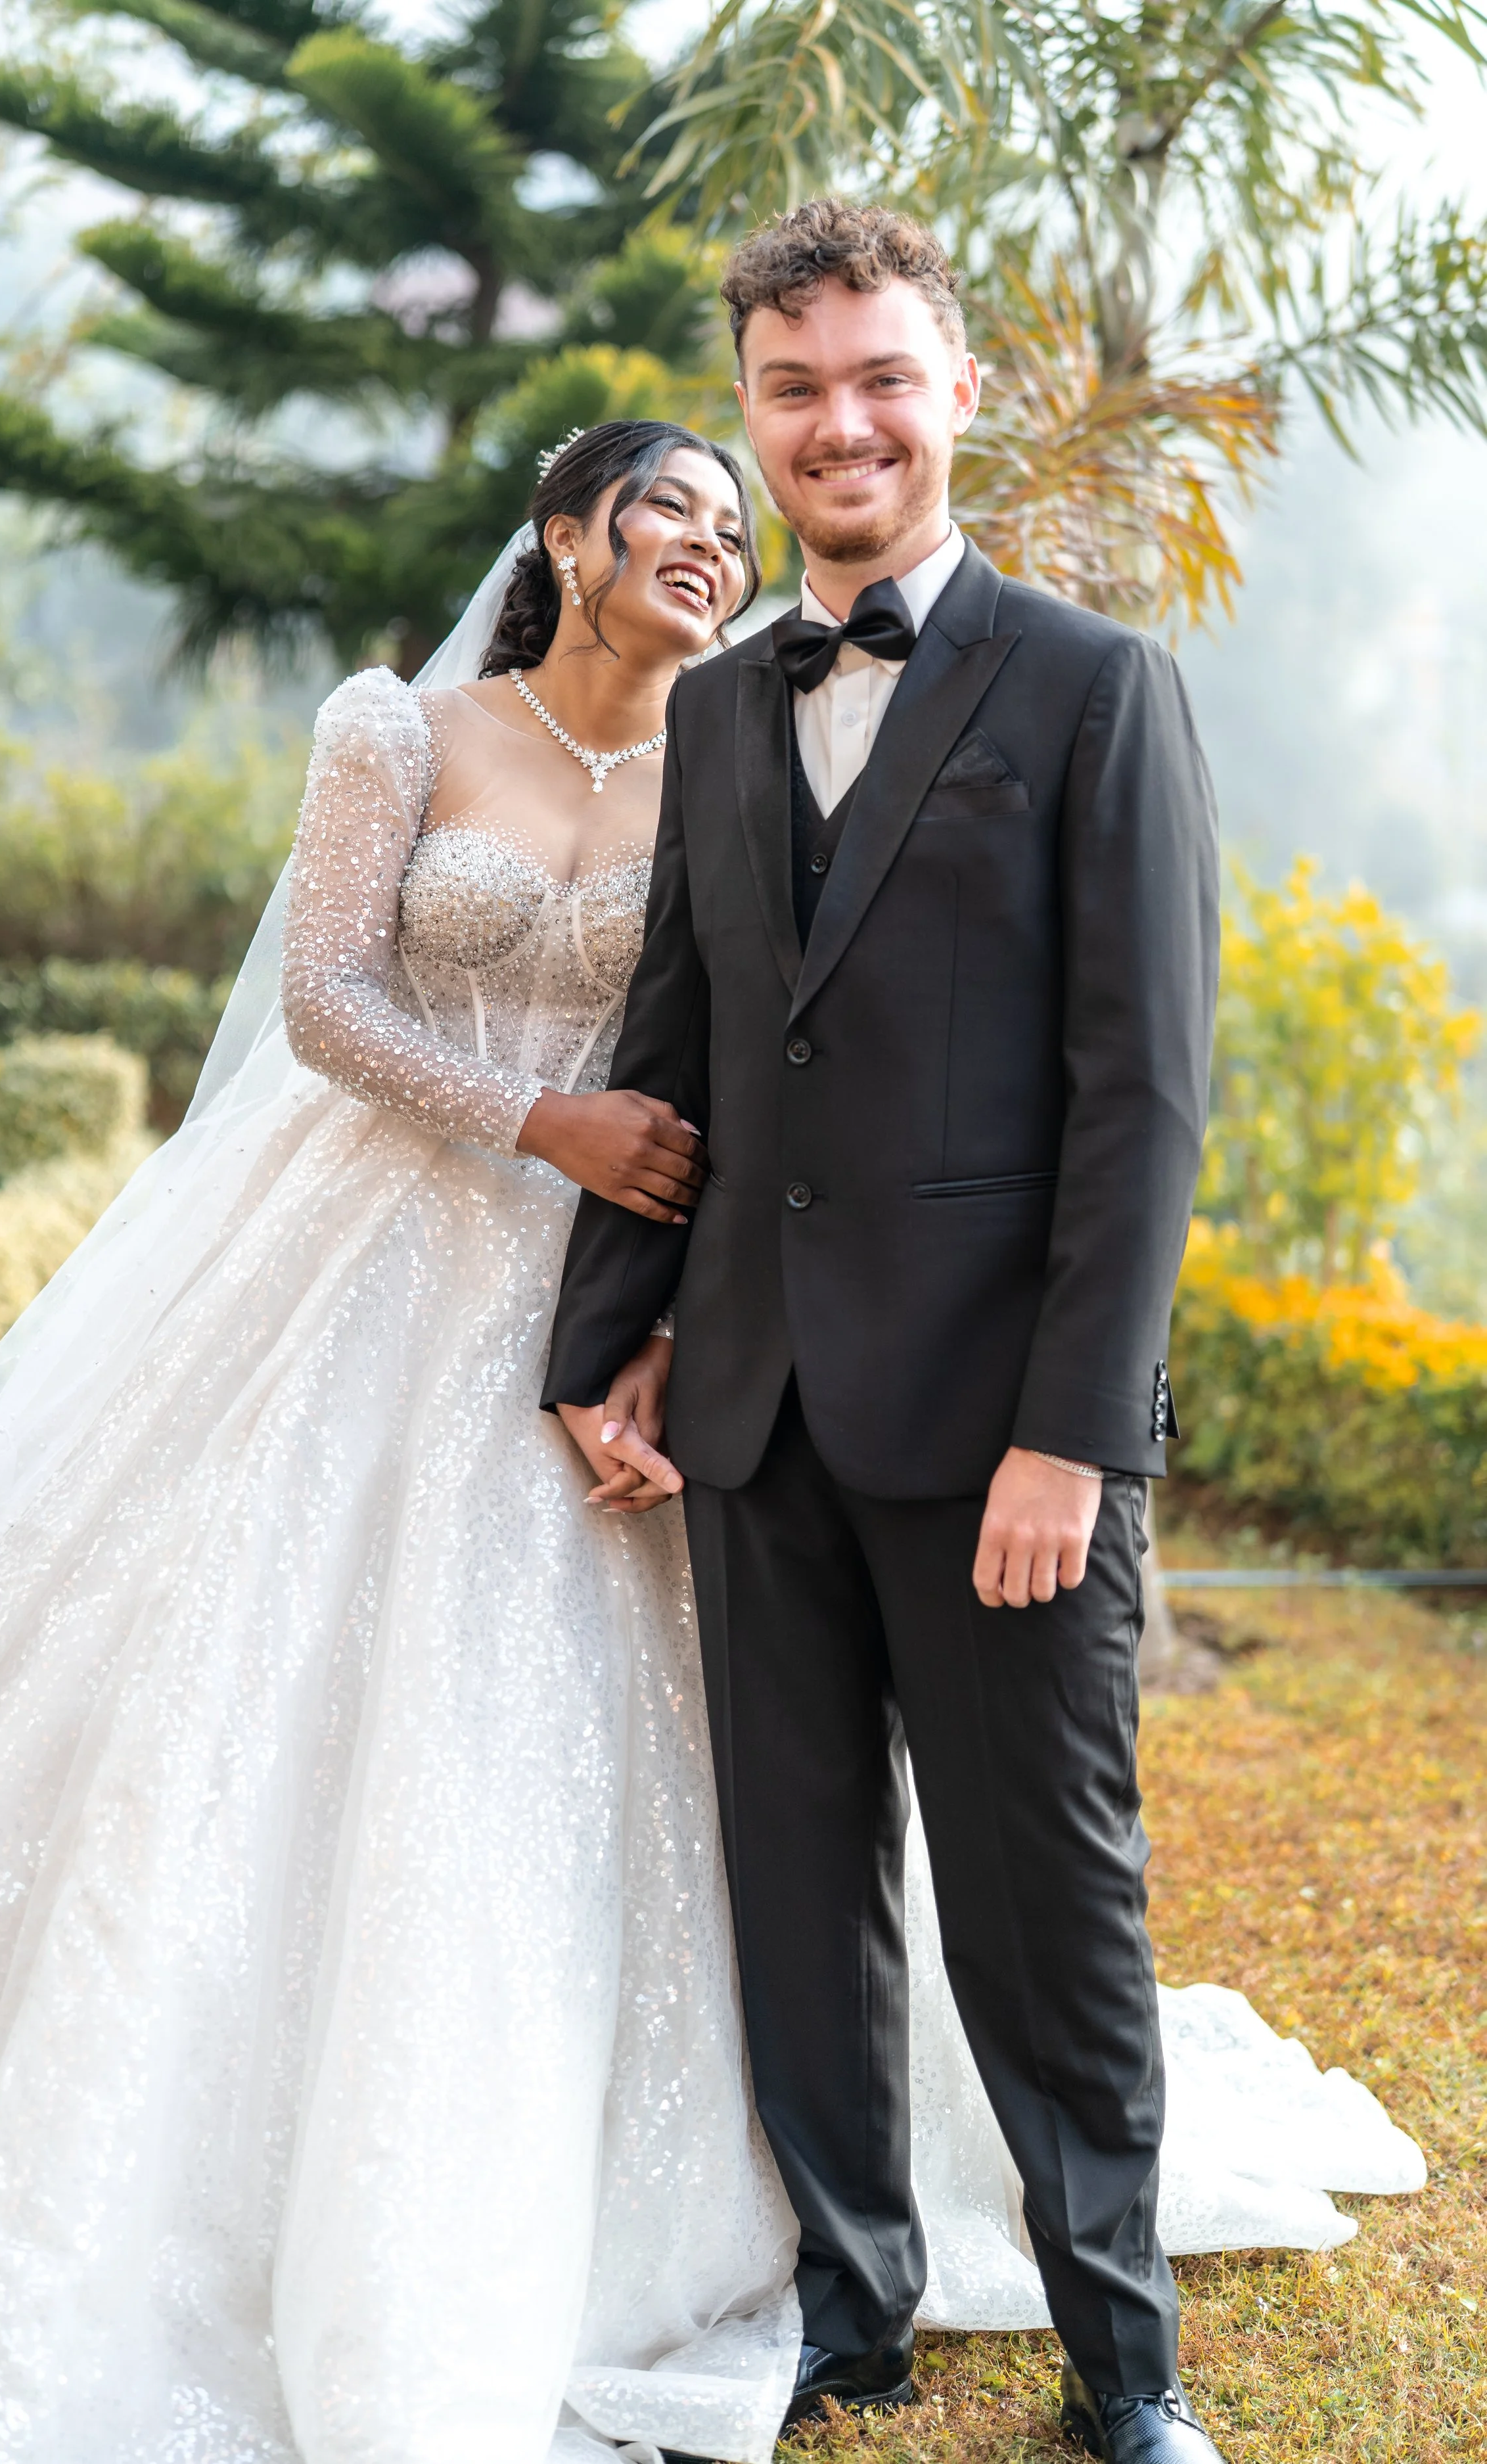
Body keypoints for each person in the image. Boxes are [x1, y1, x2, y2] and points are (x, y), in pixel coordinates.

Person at [0, 403, 1419, 2464]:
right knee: (235, 1680)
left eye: (720, 516)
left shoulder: (747, 735)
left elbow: (756, 1061)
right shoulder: (399, 732)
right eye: (664, 504)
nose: (705, 535)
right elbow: (326, 994)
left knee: (672, 1762)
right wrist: (540, 1118)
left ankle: (862, 2237)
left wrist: (661, 1309)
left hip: (654, 1290)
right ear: (568, 535)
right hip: (362, 1249)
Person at [542, 202, 1421, 2464]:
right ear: (750, 410)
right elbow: (690, 1036)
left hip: (1001, 1440)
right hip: (753, 1412)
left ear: (951, 395)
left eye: (876, 380)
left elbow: (1144, 1103)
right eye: (791, 388)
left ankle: (1124, 2367)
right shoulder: (725, 706)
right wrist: (608, 1342)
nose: (837, 424)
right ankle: (855, 2305)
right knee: (797, 1893)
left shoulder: (1095, 687)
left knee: (1049, 1905)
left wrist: (1076, 1436)